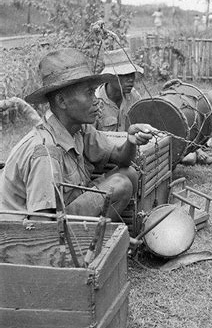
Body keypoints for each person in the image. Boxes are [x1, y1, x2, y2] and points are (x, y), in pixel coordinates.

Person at [0, 48, 158, 221]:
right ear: (61, 101)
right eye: (89, 93)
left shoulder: (80, 129)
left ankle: (101, 238)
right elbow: (41, 225)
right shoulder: (45, 152)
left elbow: (121, 158)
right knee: (120, 185)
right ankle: (94, 243)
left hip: (66, 209)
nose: (96, 100)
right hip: (27, 236)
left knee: (129, 174)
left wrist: (130, 140)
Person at [95, 48, 143, 132]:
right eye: (124, 74)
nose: (131, 79)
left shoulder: (134, 98)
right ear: (109, 77)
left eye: (132, 74)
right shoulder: (95, 102)